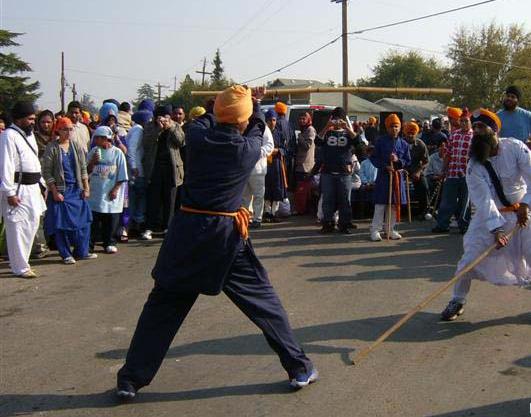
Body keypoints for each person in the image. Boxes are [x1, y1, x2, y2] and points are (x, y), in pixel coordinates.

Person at [116, 86, 317, 400]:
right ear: (241, 120)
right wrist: (256, 99)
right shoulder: (246, 148)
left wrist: (236, 99)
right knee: (265, 305)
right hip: (223, 238)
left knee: (161, 310)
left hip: (185, 235)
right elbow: (258, 124)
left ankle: (130, 379)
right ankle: (299, 367)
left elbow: (210, 120)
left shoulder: (196, 137)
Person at [440, 108, 531, 321]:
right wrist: (497, 229)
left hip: (522, 216)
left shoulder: (515, 148)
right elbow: (483, 201)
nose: (477, 131)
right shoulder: (473, 165)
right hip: (489, 219)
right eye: (476, 127)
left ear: (495, 131)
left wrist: (526, 205)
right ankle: (457, 300)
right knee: (468, 261)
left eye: (483, 127)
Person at [0, 101, 47, 278]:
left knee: (33, 222)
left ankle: (23, 261)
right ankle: (19, 266)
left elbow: (33, 161)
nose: (33, 122)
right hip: (18, 188)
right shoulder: (8, 136)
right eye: (30, 118)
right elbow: (6, 166)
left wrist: (41, 184)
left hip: (33, 188)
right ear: (19, 119)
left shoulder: (28, 135)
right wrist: (10, 193)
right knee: (17, 226)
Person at [42, 117, 95, 264]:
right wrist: (54, 191)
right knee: (61, 225)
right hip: (61, 191)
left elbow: (83, 168)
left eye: (70, 129)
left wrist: (86, 187)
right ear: (58, 130)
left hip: (76, 190)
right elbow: (47, 172)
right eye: (65, 129)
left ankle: (82, 252)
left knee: (84, 222)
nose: (68, 132)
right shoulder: (52, 148)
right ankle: (66, 254)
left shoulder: (76, 146)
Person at [140, 105, 185, 240]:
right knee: (153, 199)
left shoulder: (175, 126)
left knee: (170, 200)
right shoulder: (149, 126)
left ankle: (168, 227)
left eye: (166, 116)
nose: (164, 119)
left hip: (172, 168)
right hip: (154, 168)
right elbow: (146, 143)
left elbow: (181, 142)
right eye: (161, 116)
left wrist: (170, 128)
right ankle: (149, 228)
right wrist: (158, 130)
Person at [315, 107, 358, 234]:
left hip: (344, 172)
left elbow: (359, 143)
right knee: (327, 199)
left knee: (345, 200)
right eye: (335, 119)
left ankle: (344, 224)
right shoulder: (327, 132)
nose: (337, 122)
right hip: (328, 172)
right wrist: (327, 126)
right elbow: (317, 142)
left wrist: (347, 128)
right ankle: (327, 223)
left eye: (340, 119)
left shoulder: (348, 134)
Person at [87, 126, 128, 254]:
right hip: (96, 191)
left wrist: (115, 189)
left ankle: (109, 242)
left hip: (110, 190)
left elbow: (122, 174)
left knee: (110, 218)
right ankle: (89, 245)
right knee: (94, 219)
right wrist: (93, 162)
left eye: (98, 138)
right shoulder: (94, 151)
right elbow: (86, 171)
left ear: (105, 139)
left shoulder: (117, 153)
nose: (96, 141)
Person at [369, 114, 411, 241]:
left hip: (397, 177)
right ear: (387, 128)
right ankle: (375, 230)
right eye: (392, 126)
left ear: (400, 128)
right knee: (381, 204)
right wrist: (385, 166)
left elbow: (407, 161)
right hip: (384, 176)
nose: (394, 129)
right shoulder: (380, 141)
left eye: (396, 126)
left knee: (393, 204)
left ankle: (390, 229)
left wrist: (398, 161)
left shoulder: (404, 144)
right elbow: (374, 158)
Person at [432, 108, 473, 234]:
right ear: (459, 122)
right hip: (452, 173)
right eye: (462, 121)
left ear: (470, 121)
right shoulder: (453, 135)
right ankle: (442, 224)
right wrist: (443, 170)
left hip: (467, 175)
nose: (464, 123)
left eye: (466, 121)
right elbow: (448, 154)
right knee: (446, 201)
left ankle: (464, 225)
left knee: (464, 202)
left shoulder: (474, 137)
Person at [242, 110, 274, 228]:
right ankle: (245, 218)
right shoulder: (242, 125)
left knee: (258, 195)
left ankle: (257, 219)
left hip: (258, 169)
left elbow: (270, 146)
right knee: (244, 197)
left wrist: (256, 152)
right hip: (244, 169)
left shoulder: (263, 128)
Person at [126, 109, 153, 235]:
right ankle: (136, 223)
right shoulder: (138, 130)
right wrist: (134, 166)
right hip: (137, 171)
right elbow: (131, 149)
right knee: (138, 197)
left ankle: (133, 223)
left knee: (135, 198)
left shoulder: (134, 129)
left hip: (136, 169)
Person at [264, 109, 289, 222]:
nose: (272, 122)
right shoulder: (262, 133)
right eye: (269, 120)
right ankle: (267, 212)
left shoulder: (279, 133)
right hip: (265, 163)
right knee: (266, 188)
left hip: (277, 163)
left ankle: (274, 212)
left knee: (277, 188)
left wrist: (278, 150)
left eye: (274, 120)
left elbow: (286, 148)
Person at [404, 121, 429, 218]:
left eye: (412, 134)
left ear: (416, 134)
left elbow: (426, 161)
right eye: (408, 133)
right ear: (405, 133)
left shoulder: (420, 144)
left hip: (416, 171)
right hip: (403, 171)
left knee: (424, 187)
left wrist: (418, 172)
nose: (410, 135)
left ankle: (424, 212)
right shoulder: (400, 143)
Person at [293, 112, 316, 214]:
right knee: (300, 190)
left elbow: (307, 146)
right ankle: (302, 209)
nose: (302, 121)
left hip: (305, 166)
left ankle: (302, 210)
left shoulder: (310, 130)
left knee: (303, 190)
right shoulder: (304, 130)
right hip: (300, 164)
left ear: (308, 120)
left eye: (304, 119)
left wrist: (300, 137)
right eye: (300, 119)